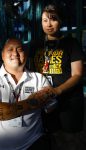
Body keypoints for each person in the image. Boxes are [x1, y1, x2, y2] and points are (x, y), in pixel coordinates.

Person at [0, 38, 57, 150]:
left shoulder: (39, 78)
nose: (15, 53)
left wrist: (49, 96)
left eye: (20, 50)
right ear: (2, 55)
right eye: (10, 49)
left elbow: (51, 106)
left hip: (31, 144)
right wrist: (32, 102)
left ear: (25, 55)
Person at [32, 3, 85, 150]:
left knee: (71, 142)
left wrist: (57, 91)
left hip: (68, 105)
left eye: (53, 19)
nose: (49, 24)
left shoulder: (71, 43)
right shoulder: (35, 45)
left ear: (60, 20)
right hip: (44, 103)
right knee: (47, 141)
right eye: (45, 20)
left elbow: (78, 74)